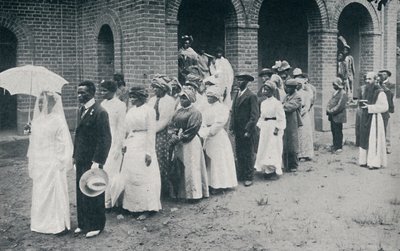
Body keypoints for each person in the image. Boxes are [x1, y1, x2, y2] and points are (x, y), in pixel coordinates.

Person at [27, 91, 73, 235]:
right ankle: (40, 222)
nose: (41, 104)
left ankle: (57, 224)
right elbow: (34, 143)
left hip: (53, 160)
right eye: (39, 101)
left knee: (54, 190)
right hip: (40, 160)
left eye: (44, 101)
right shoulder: (36, 121)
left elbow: (63, 142)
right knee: (41, 191)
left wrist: (60, 159)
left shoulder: (57, 120)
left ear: (52, 103)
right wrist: (30, 130)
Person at [73, 81, 112, 238]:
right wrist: (74, 156)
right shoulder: (81, 110)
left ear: (92, 93)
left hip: (93, 160)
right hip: (81, 158)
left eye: (83, 93)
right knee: (81, 191)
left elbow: (105, 139)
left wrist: (98, 161)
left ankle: (96, 225)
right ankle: (83, 223)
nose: (80, 96)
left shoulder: (100, 112)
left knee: (94, 191)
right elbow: (78, 136)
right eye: (78, 93)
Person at [121, 85, 161, 219]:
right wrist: (124, 143)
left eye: (134, 97)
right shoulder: (131, 111)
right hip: (132, 144)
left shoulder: (149, 111)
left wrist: (149, 152)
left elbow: (151, 132)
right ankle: (132, 206)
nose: (132, 100)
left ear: (141, 98)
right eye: (131, 97)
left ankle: (146, 208)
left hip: (144, 144)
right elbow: (127, 129)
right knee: (131, 175)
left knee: (144, 175)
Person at [168, 87, 209, 200]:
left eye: (185, 98)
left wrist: (180, 137)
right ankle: (180, 193)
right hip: (179, 143)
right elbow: (172, 125)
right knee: (181, 166)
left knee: (191, 166)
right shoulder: (178, 111)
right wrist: (173, 135)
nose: (182, 100)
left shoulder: (195, 112)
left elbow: (192, 129)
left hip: (190, 142)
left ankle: (194, 194)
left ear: (191, 99)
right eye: (181, 98)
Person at [199, 85, 237, 192]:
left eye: (211, 96)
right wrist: (203, 131)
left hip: (217, 136)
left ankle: (220, 185)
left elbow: (219, 123)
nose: (208, 98)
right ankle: (210, 184)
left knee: (218, 160)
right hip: (207, 136)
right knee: (209, 159)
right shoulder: (207, 108)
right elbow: (202, 121)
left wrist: (209, 132)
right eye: (207, 96)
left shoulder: (222, 108)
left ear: (216, 97)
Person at [148, 75, 177, 197]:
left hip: (162, 133)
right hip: (151, 131)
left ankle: (164, 189)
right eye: (154, 88)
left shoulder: (169, 101)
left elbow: (165, 121)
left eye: (157, 88)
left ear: (164, 88)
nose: (155, 90)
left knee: (161, 158)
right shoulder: (152, 100)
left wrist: (152, 130)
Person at [99, 80, 126, 210]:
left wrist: (117, 147)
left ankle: (111, 201)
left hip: (114, 138)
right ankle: (102, 199)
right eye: (101, 90)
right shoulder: (102, 104)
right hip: (102, 138)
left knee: (112, 170)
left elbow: (121, 128)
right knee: (102, 169)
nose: (102, 93)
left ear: (112, 91)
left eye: (105, 91)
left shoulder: (120, 105)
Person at [230, 73, 259, 187]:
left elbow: (254, 115)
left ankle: (249, 176)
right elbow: (233, 112)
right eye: (237, 80)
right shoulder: (237, 94)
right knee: (239, 152)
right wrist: (232, 126)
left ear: (247, 82)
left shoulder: (251, 96)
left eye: (241, 80)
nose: (238, 82)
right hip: (238, 130)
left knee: (248, 153)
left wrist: (248, 130)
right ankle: (241, 174)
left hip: (247, 130)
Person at [255, 81, 286, 179]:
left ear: (272, 91)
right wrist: (259, 126)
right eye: (264, 89)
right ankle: (265, 169)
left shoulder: (277, 103)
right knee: (264, 147)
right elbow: (262, 116)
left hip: (273, 127)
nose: (265, 91)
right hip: (265, 127)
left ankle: (272, 170)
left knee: (272, 148)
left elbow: (281, 118)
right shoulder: (263, 103)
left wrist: (277, 128)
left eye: (267, 90)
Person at [359, 72, 388, 169]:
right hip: (365, 116)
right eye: (366, 79)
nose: (367, 81)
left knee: (373, 139)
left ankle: (374, 162)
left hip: (375, 118)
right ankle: (364, 160)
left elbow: (385, 107)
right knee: (364, 138)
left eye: (370, 79)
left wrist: (370, 107)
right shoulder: (366, 90)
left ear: (376, 80)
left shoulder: (380, 92)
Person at [282, 79, 302, 172]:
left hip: (292, 122)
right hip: (286, 121)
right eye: (286, 87)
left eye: (288, 87)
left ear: (293, 88)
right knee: (286, 142)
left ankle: (293, 164)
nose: (286, 89)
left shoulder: (297, 97)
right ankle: (286, 164)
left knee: (293, 143)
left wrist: (280, 106)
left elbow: (289, 107)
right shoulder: (287, 96)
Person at [294, 72, 315, 161]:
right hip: (296, 115)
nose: (298, 86)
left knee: (305, 134)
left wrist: (301, 112)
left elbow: (307, 106)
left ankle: (306, 154)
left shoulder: (306, 94)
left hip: (304, 116)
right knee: (298, 135)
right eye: (296, 84)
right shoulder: (294, 93)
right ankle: (299, 154)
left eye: (299, 84)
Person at [326, 78, 348, 153]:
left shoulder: (343, 93)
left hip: (338, 116)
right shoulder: (335, 92)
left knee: (338, 131)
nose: (333, 86)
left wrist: (331, 111)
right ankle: (335, 144)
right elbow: (330, 101)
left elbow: (340, 106)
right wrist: (328, 108)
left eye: (335, 85)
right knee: (333, 130)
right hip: (332, 116)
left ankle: (339, 146)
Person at [378, 69, 395, 154]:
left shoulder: (391, 85)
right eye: (381, 74)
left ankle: (388, 146)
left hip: (388, 108)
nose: (382, 76)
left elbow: (391, 95)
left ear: (388, 75)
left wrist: (382, 86)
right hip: (379, 107)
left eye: (384, 74)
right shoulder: (378, 84)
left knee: (387, 128)